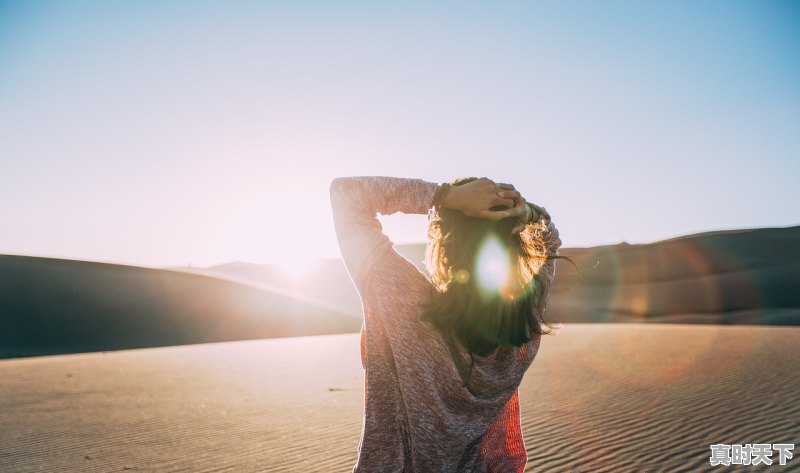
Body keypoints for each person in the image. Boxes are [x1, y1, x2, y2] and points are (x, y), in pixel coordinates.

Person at [330, 176, 564, 473]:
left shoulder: (401, 300)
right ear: (515, 243)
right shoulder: (522, 330)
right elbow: (549, 239)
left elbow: (347, 194)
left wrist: (445, 196)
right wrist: (528, 213)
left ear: (443, 241)